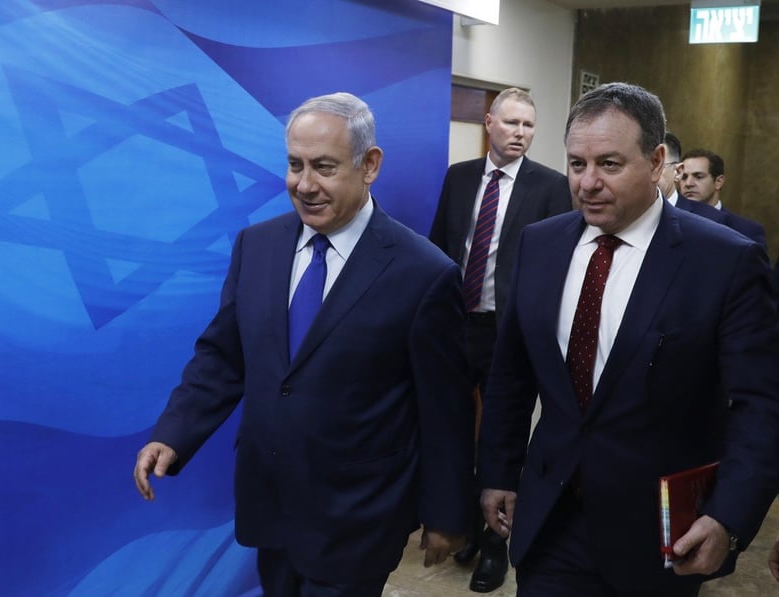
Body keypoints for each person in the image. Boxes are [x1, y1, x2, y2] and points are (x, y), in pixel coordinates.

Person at [133, 92, 475, 596]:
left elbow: (445, 408)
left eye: (324, 167)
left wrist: (447, 513)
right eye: (295, 165)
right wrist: (175, 432)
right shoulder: (258, 246)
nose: (305, 184)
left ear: (370, 165)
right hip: (270, 504)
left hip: (359, 515)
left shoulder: (424, 274)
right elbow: (224, 356)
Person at [477, 82, 779, 596]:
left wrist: (729, 516)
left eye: (609, 165)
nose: (588, 183)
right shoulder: (541, 244)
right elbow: (511, 372)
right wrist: (500, 471)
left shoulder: (724, 261)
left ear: (657, 161)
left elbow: (763, 404)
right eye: (576, 164)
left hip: (659, 536)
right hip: (552, 518)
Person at [428, 86, 572, 593]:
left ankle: (496, 543)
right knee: (453, 427)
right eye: (511, 123)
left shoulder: (551, 186)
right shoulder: (460, 177)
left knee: (500, 438)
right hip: (457, 323)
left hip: (509, 332)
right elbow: (440, 247)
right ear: (489, 123)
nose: (520, 134)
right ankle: (463, 524)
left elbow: (557, 265)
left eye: (529, 126)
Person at [679, 148, 768, 250]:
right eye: (684, 177)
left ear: (718, 182)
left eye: (698, 177)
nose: (688, 183)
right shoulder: (668, 221)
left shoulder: (747, 231)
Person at [658, 133, 724, 225]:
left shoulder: (711, 219)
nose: (689, 183)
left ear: (678, 172)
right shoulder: (632, 214)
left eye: (658, 165)